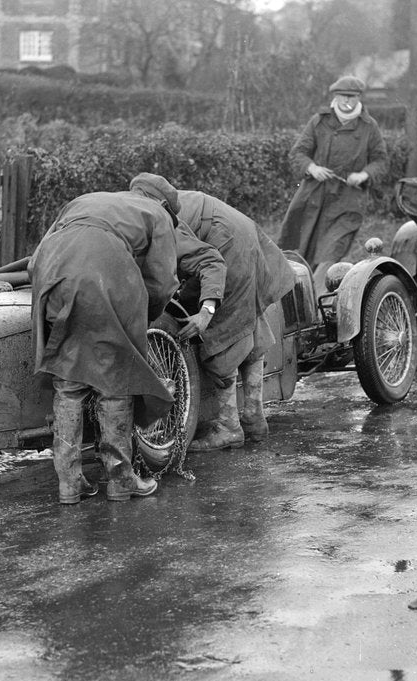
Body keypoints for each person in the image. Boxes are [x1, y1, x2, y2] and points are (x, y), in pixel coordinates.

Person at [28, 173, 182, 504]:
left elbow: (35, 258)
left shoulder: (86, 199)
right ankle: (121, 480)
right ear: (165, 204)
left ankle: (69, 484)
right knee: (116, 381)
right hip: (105, 271)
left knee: (68, 380)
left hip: (52, 273)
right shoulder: (157, 216)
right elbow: (162, 282)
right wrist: (143, 316)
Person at [175, 190, 296, 451]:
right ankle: (254, 415)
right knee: (249, 315)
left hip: (223, 242)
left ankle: (228, 427)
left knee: (223, 330)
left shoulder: (145, 215)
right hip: (242, 230)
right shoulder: (152, 201)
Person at [278, 75, 389, 294]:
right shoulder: (319, 121)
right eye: (343, 96)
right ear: (335, 97)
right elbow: (298, 153)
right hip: (312, 197)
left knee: (330, 252)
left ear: (359, 98)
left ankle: (316, 302)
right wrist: (312, 168)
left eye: (352, 96)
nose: (347, 101)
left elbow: (381, 160)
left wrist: (364, 174)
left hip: (348, 201)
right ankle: (288, 298)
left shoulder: (368, 126)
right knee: (299, 251)